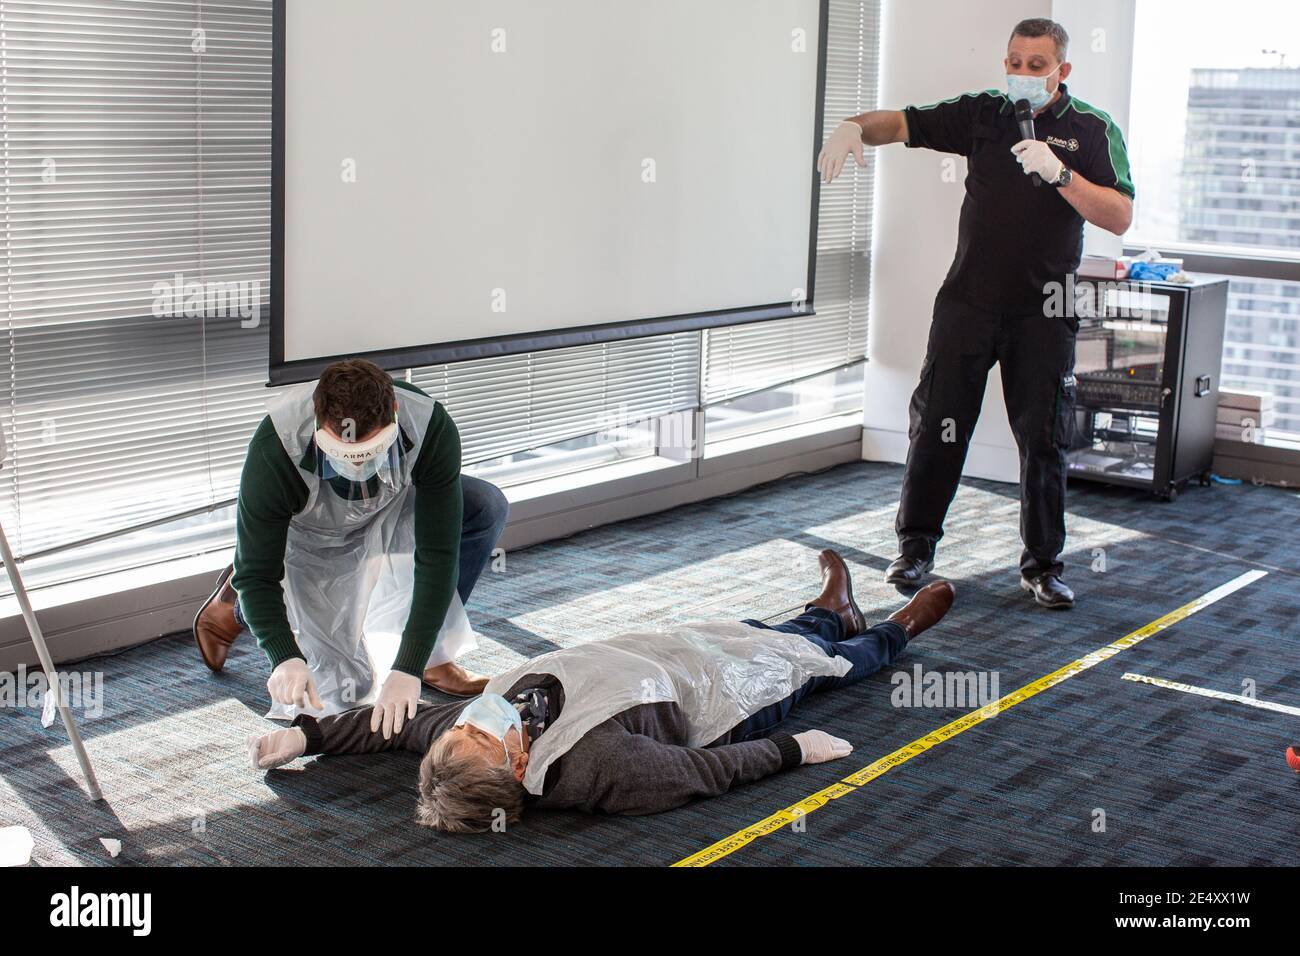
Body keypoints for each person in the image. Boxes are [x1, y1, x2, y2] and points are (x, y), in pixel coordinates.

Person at [249, 550, 955, 831]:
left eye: (460, 728)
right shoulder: (605, 770)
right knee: (812, 664)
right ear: (520, 767)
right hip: (724, 698)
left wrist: (304, 736)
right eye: (481, 734)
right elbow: (711, 770)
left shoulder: (460, 737)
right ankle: (892, 630)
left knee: (745, 631)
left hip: (647, 656)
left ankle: (829, 608)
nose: (469, 719)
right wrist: (796, 750)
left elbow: (388, 725)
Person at [817, 18, 1134, 609]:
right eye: (1014, 62)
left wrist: (1060, 173)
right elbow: (902, 123)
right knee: (939, 425)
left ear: (1062, 70)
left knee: (1043, 439)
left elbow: (1118, 216)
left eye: (1036, 65)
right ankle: (915, 548)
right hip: (969, 302)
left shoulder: (1092, 129)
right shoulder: (984, 113)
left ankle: (1042, 566)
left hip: (1044, 311)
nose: (1021, 73)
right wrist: (852, 127)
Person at [194, 358, 509, 737]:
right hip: (309, 537)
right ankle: (236, 607)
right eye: (343, 453)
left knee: (483, 505)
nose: (358, 464)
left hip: (388, 505)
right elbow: (259, 573)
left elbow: (437, 556)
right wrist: (284, 656)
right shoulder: (275, 447)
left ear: (394, 413)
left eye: (371, 450)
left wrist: (410, 664)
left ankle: (432, 656)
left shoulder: (428, 424)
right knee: (348, 693)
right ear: (317, 418)